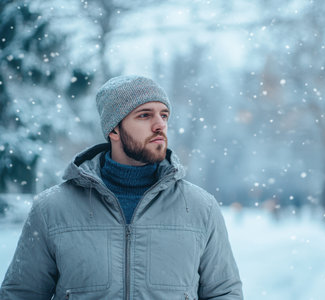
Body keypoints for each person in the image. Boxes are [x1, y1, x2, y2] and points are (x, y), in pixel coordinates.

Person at [0, 75, 243, 299]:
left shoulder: (200, 208)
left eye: (164, 115)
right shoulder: (51, 208)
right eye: (145, 115)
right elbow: (21, 294)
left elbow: (224, 292)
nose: (160, 125)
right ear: (113, 129)